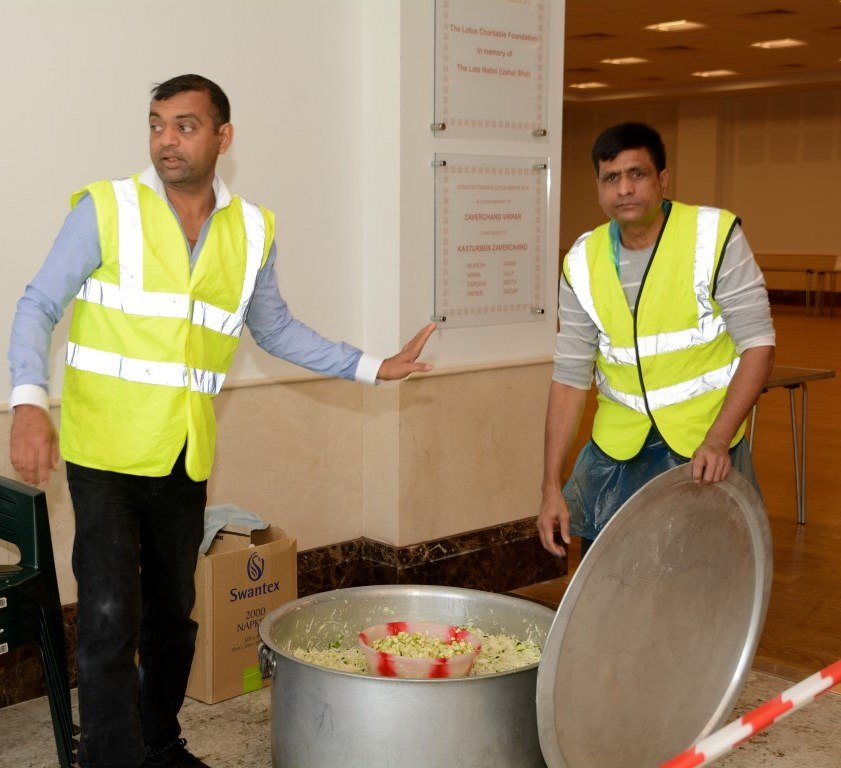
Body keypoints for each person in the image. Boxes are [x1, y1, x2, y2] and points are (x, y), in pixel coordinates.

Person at [7, 74, 435, 768]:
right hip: (103, 449)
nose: (166, 140)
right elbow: (37, 305)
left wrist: (371, 365)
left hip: (183, 454)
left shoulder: (251, 229)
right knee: (110, 618)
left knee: (172, 617)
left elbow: (276, 329)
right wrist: (28, 400)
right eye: (156, 125)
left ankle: (158, 744)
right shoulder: (107, 208)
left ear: (222, 136)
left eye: (184, 125)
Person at [537, 122, 775, 560]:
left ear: (663, 180)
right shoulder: (582, 262)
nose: (624, 188)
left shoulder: (713, 236)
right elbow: (570, 376)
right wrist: (551, 485)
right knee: (612, 576)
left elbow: (758, 345)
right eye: (611, 177)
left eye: (637, 173)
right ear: (599, 188)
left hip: (703, 447)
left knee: (702, 574)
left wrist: (718, 439)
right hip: (617, 450)